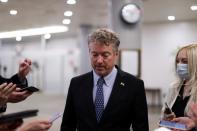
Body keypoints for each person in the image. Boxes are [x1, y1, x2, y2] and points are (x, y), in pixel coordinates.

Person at [61, 28, 149, 131]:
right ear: (89, 53)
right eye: (94, 54)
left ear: (116, 54)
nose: (99, 60)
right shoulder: (76, 84)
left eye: (105, 55)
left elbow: (141, 128)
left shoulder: (134, 85)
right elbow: (68, 125)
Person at [161, 44, 197, 130]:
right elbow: (163, 117)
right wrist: (167, 119)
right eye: (177, 61)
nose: (179, 65)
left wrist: (194, 123)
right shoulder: (174, 87)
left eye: (184, 61)